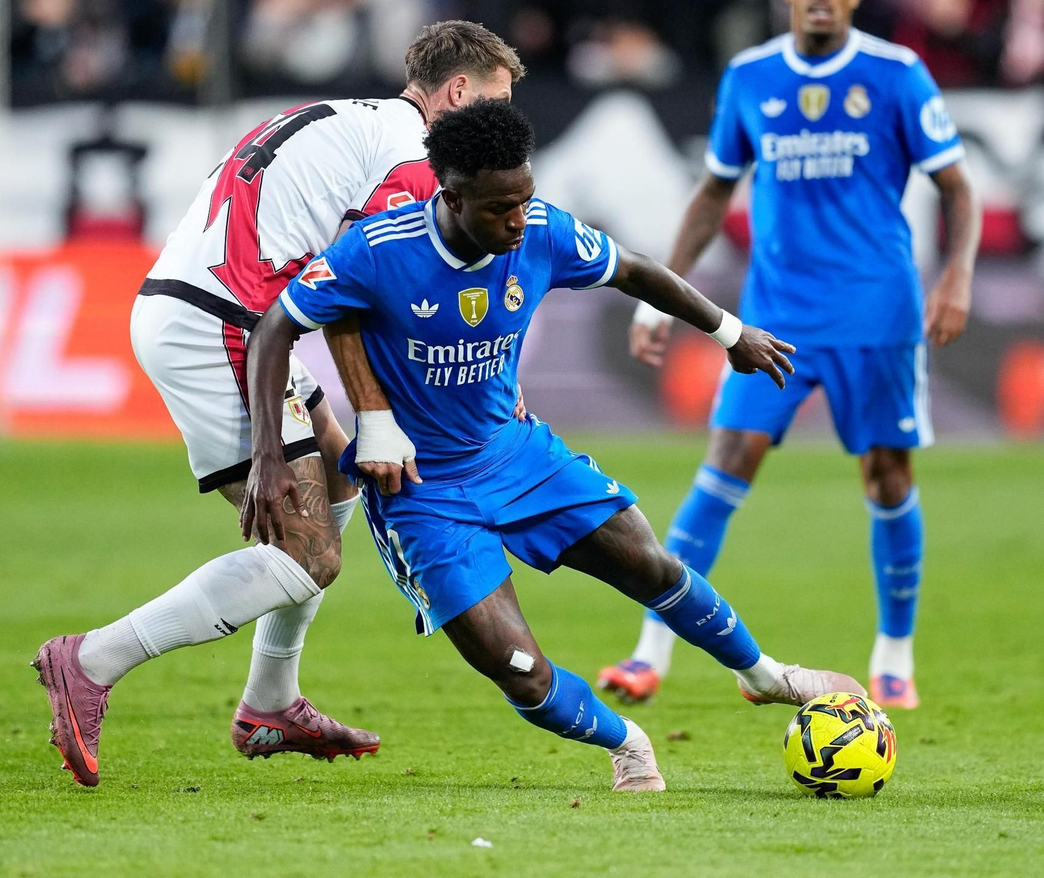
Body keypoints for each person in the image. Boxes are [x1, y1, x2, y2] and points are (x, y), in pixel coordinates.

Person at [242, 99, 862, 792]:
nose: (518, 219)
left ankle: (768, 675)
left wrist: (728, 332)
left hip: (517, 454)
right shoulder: (378, 252)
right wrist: (270, 452)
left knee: (651, 565)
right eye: (500, 206)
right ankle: (627, 742)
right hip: (423, 494)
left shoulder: (540, 230)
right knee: (520, 671)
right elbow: (274, 329)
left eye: (526, 199)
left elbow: (635, 271)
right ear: (451, 194)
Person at [31, 21, 524, 786]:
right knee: (308, 552)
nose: (503, 130)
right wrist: (284, 442)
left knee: (341, 475)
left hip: (219, 311)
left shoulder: (350, 119)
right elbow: (376, 294)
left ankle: (271, 701)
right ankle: (91, 659)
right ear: (457, 93)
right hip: (222, 326)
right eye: (496, 100)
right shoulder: (411, 158)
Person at [598, 0, 979, 711]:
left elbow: (957, 186)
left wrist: (956, 278)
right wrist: (662, 291)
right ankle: (649, 651)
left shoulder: (898, 73)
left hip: (877, 315)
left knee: (886, 475)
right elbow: (713, 191)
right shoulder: (749, 76)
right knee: (723, 463)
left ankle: (895, 654)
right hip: (772, 319)